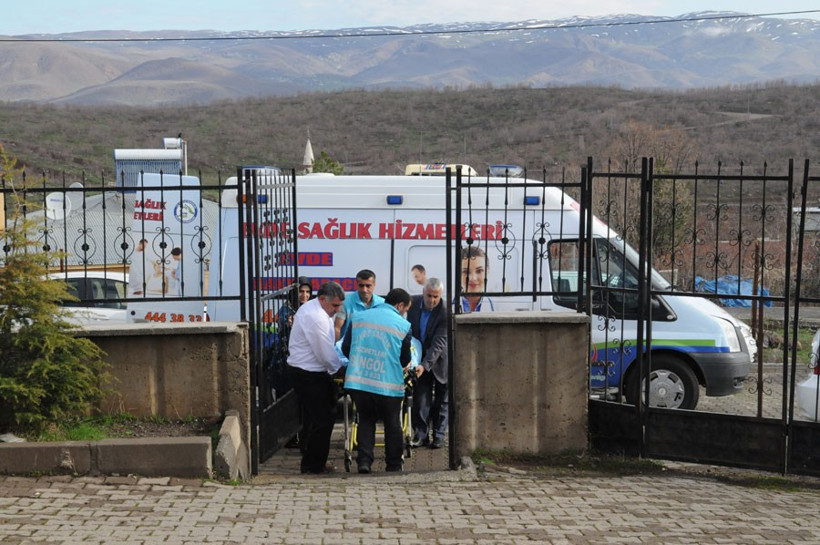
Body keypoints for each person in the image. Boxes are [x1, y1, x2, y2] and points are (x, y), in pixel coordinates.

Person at [342, 288, 413, 473]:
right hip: (388, 385)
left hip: (360, 382)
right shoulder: (403, 325)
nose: (404, 314)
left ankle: (364, 462)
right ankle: (394, 465)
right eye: (405, 310)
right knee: (392, 424)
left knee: (365, 420)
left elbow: (345, 347)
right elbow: (405, 360)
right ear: (399, 305)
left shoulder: (358, 318)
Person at [287, 281, 346, 474]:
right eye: (335, 306)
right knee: (323, 419)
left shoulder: (318, 310)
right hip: (308, 373)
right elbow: (325, 354)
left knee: (315, 419)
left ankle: (313, 460)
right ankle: (313, 464)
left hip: (310, 371)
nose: (337, 310)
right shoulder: (316, 317)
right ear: (322, 299)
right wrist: (339, 369)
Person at [408, 277, 449, 449]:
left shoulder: (445, 311)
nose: (432, 300)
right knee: (421, 399)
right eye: (429, 296)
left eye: (436, 297)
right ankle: (421, 434)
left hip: (440, 360)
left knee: (442, 399)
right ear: (423, 293)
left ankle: (439, 435)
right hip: (419, 359)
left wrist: (425, 365)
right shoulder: (413, 304)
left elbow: (439, 343)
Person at [334, 269, 384, 341]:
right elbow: (337, 328)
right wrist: (337, 349)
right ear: (356, 284)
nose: (364, 289)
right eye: (361, 286)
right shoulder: (345, 302)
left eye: (368, 286)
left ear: (374, 285)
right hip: (349, 348)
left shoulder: (382, 304)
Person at [460, 246, 494, 312]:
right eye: (466, 272)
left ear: (487, 271)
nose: (473, 278)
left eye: (479, 271)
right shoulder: (446, 308)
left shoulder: (500, 307)